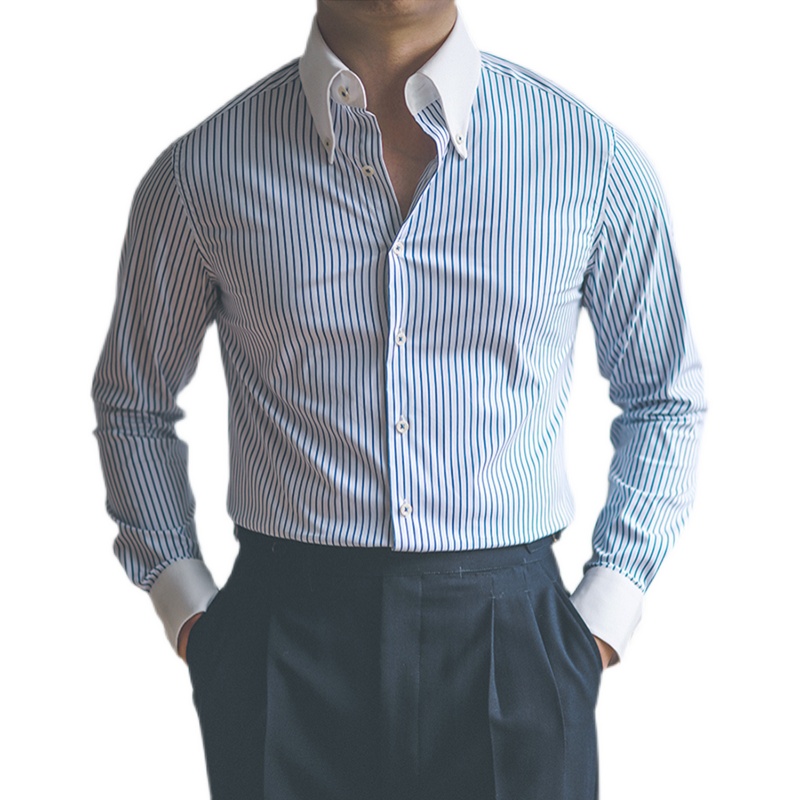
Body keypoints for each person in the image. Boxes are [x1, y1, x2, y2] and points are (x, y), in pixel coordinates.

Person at [92, 1, 705, 798]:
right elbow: (134, 401)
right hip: (284, 638)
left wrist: (602, 618)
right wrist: (190, 611)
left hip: (514, 638)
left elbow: (664, 396)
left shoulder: (591, 163)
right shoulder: (201, 174)